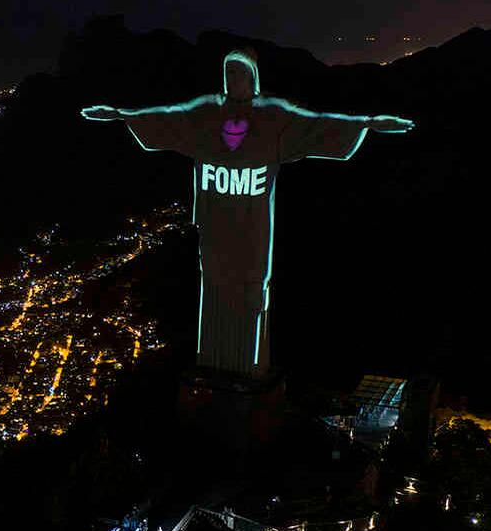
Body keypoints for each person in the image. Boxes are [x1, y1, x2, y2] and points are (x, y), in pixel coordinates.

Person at [82, 47, 413, 379]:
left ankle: (249, 367)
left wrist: (367, 124)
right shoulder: (206, 114)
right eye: (228, 72)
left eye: (240, 72)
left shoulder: (273, 117)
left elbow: (317, 125)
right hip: (215, 227)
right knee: (213, 289)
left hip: (253, 227)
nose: (233, 79)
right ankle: (212, 363)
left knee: (252, 290)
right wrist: (121, 115)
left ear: (253, 77)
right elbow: (167, 117)